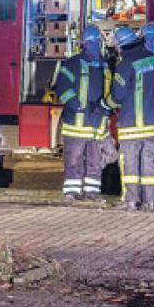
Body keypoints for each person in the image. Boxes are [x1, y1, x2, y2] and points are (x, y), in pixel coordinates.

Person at [101, 25, 154, 210]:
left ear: (121, 44)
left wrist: (105, 105)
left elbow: (117, 95)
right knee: (148, 164)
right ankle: (151, 201)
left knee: (130, 164)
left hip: (132, 124)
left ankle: (131, 201)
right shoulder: (152, 60)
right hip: (152, 124)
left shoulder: (125, 64)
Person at [53, 25, 110, 201]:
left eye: (97, 43)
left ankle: (92, 192)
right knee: (74, 159)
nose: (94, 46)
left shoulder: (104, 65)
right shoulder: (73, 63)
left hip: (95, 123)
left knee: (95, 161)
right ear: (84, 44)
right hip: (76, 124)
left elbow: (109, 90)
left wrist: (106, 108)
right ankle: (72, 192)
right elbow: (61, 85)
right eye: (91, 43)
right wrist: (74, 103)